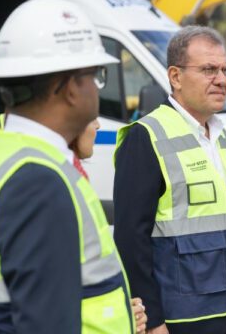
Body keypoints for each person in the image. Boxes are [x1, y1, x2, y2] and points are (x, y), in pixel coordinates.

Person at [0, 0, 135, 333]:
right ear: (70, 89)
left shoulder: (9, 153)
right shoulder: (37, 182)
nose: (98, 88)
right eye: (96, 75)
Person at [114, 26, 226, 334]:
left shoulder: (222, 138)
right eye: (208, 70)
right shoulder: (145, 137)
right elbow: (130, 239)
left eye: (224, 69)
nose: (221, 79)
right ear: (175, 77)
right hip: (178, 320)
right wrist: (151, 320)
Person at [69, 118, 149, 334]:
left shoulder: (69, 175)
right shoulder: (46, 183)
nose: (98, 125)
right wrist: (119, 317)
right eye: (90, 117)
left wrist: (122, 313)